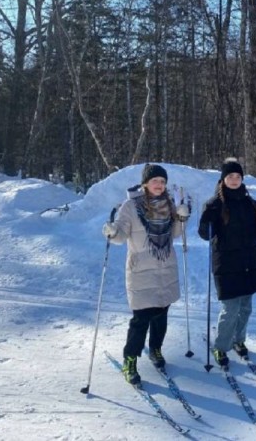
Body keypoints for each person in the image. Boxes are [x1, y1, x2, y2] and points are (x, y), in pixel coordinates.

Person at [198, 158, 256, 368]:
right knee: (231, 308)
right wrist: (206, 221)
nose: (234, 180)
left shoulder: (251, 204)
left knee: (246, 307)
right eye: (230, 176)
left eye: (237, 176)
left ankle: (238, 340)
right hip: (226, 263)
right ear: (223, 179)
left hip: (248, 262)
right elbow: (204, 234)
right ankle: (221, 347)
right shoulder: (214, 205)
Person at [102, 163, 190, 384]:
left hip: (166, 268)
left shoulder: (169, 204)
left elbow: (176, 235)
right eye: (155, 181)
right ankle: (129, 360)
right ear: (145, 184)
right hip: (141, 270)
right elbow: (122, 235)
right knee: (140, 319)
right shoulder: (130, 206)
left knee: (161, 314)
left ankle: (156, 349)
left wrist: (181, 218)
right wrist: (113, 232)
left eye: (162, 181)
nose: (159, 185)